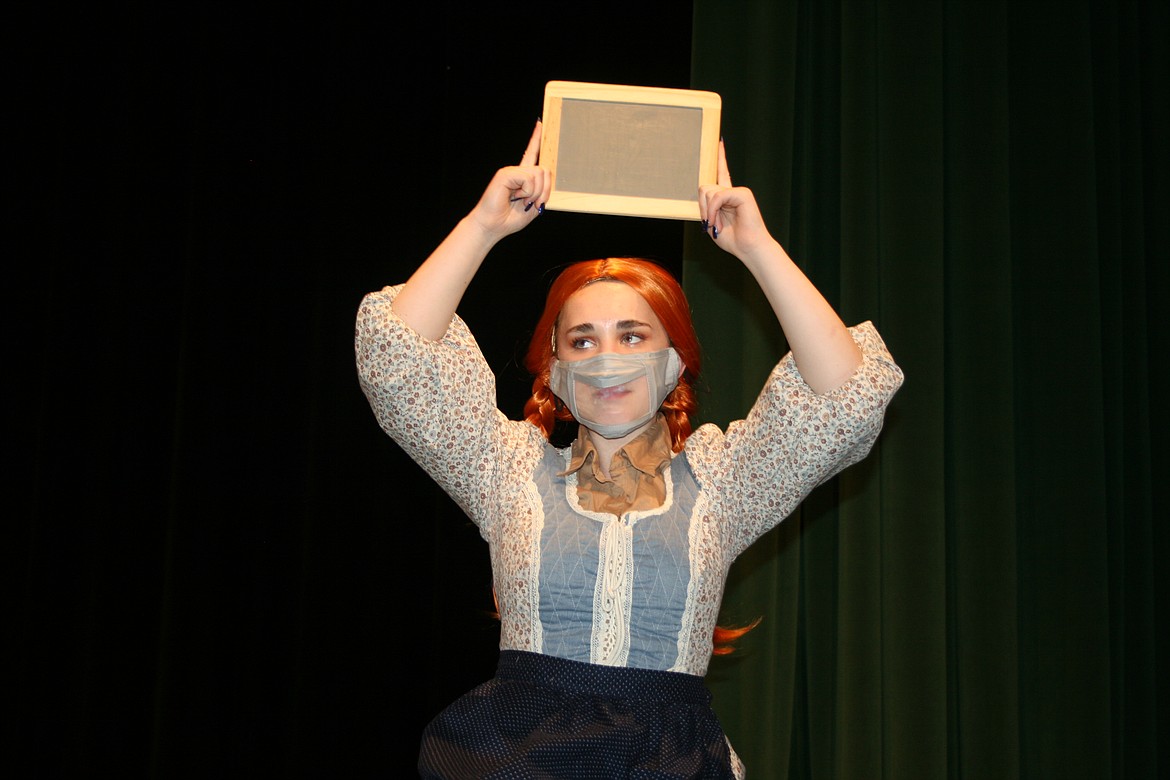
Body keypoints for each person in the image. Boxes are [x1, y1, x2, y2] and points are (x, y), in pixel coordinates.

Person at [355, 119, 903, 779]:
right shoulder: (506, 470)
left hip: (671, 762)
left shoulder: (723, 484)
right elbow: (397, 363)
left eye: (633, 336)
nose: (606, 360)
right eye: (582, 340)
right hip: (515, 760)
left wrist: (756, 248)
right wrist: (483, 227)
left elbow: (847, 398)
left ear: (675, 364)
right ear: (553, 368)